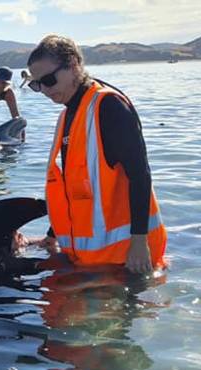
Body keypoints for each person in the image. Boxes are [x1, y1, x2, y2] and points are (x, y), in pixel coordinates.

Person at [24, 34, 166, 274]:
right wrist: (52, 235)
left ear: (74, 65)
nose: (45, 91)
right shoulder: (69, 114)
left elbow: (140, 175)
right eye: (36, 85)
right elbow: (76, 189)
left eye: (48, 80)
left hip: (128, 261)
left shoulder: (109, 107)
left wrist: (139, 243)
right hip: (91, 263)